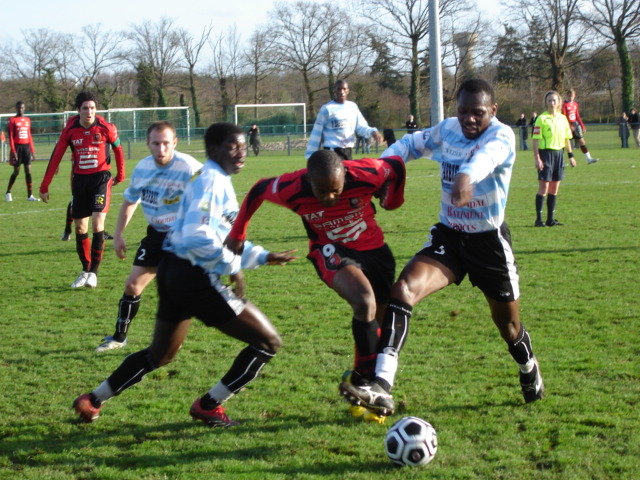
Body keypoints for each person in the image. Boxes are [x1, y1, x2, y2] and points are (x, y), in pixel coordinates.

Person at [339, 79, 544, 418]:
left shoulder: (502, 136)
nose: (469, 120)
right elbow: (409, 145)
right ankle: (382, 386)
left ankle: (527, 366)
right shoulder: (447, 130)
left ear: (492, 111)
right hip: (449, 238)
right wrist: (379, 171)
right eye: (462, 112)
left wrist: (465, 177)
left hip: (488, 244)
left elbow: (486, 159)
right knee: (402, 290)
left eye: (477, 113)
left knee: (508, 327)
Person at [72, 122, 297, 426]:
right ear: (214, 149)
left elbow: (222, 235)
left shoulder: (212, 178)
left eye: (243, 146)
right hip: (194, 276)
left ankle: (93, 399)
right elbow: (195, 236)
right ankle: (209, 405)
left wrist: (262, 256)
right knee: (268, 342)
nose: (241, 153)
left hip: (172, 271)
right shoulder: (211, 182)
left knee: (159, 355)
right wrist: (232, 266)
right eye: (234, 147)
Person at [225, 149, 406, 420]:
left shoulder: (367, 172)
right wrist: (238, 231)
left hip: (375, 251)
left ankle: (359, 379)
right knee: (363, 301)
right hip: (330, 250)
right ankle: (368, 384)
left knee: (373, 324)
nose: (330, 197)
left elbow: (396, 165)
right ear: (309, 180)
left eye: (336, 190)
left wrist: (392, 199)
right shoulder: (291, 187)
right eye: (322, 191)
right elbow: (260, 188)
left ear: (345, 174)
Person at [95, 121, 202, 352]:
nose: (161, 149)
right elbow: (130, 201)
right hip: (155, 235)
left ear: (174, 143)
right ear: (148, 143)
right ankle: (119, 338)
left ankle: (175, 338)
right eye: (156, 143)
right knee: (133, 286)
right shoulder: (143, 168)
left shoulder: (188, 166)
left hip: (182, 237)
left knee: (176, 289)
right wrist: (119, 234)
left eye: (166, 143)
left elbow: (215, 188)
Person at [39, 91, 125, 288]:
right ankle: (85, 270)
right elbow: (56, 156)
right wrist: (45, 185)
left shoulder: (106, 127)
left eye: (93, 108)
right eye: (85, 108)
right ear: (78, 110)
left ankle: (94, 272)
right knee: (80, 227)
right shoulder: (70, 129)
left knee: (97, 223)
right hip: (80, 181)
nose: (89, 111)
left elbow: (118, 149)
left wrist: (120, 175)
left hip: (100, 180)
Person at [305, 79, 383, 160]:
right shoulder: (327, 109)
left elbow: (361, 127)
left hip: (347, 152)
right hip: (332, 152)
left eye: (344, 89)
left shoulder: (352, 107)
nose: (342, 91)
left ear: (348, 91)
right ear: (335, 91)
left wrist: (372, 131)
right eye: (339, 89)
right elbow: (316, 132)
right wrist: (311, 155)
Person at [533, 90, 575, 227]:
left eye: (554, 100)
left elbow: (567, 139)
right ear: (546, 102)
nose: (552, 103)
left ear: (559, 103)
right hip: (546, 154)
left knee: (554, 188)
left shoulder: (563, 119)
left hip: (559, 155)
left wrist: (571, 156)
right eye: (550, 100)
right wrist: (537, 158)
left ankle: (550, 219)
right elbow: (535, 140)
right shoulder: (541, 119)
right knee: (543, 187)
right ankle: (539, 220)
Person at [5, 101, 39, 202]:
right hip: (17, 147)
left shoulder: (28, 120)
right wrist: (13, 151)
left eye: (22, 108)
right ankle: (8, 191)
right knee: (16, 172)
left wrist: (32, 151)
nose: (21, 109)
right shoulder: (12, 120)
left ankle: (30, 195)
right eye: (19, 108)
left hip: (26, 147)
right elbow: (10, 137)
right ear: (16, 108)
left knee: (28, 171)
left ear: (24, 108)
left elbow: (29, 135)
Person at [562, 89, 598, 164]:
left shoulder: (575, 104)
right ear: (567, 95)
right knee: (564, 143)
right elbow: (564, 116)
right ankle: (561, 161)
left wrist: (582, 126)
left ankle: (588, 158)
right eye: (569, 96)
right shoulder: (564, 104)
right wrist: (568, 125)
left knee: (582, 141)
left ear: (574, 96)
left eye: (572, 96)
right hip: (567, 125)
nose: (571, 97)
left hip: (574, 124)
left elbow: (577, 116)